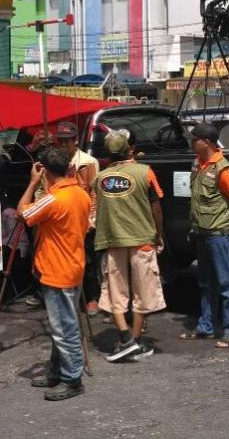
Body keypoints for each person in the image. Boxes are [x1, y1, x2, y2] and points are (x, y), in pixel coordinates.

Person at [18, 146, 91, 401]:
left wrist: (32, 182)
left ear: (46, 171)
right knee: (65, 325)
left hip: (57, 270)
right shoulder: (81, 194)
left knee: (64, 329)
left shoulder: (53, 198)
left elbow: (22, 213)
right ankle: (58, 371)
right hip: (73, 266)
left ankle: (72, 380)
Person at [93, 132, 166, 362]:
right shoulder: (145, 172)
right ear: (129, 150)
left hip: (113, 241)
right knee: (142, 292)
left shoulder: (99, 178)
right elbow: (156, 207)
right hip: (143, 240)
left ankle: (125, 338)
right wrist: (159, 234)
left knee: (115, 291)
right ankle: (133, 340)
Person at [179, 123, 229, 349]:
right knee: (206, 282)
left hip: (220, 233)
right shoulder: (198, 165)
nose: (191, 142)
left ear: (206, 142)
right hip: (202, 232)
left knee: (227, 283)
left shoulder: (223, 169)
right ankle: (206, 327)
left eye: (194, 139)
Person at [55, 121, 102, 314]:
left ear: (75, 140)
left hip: (83, 217)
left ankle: (91, 298)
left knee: (88, 260)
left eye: (68, 141)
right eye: (61, 141)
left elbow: (95, 193)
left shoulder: (88, 162)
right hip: (62, 216)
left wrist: (91, 220)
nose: (64, 145)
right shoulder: (56, 160)